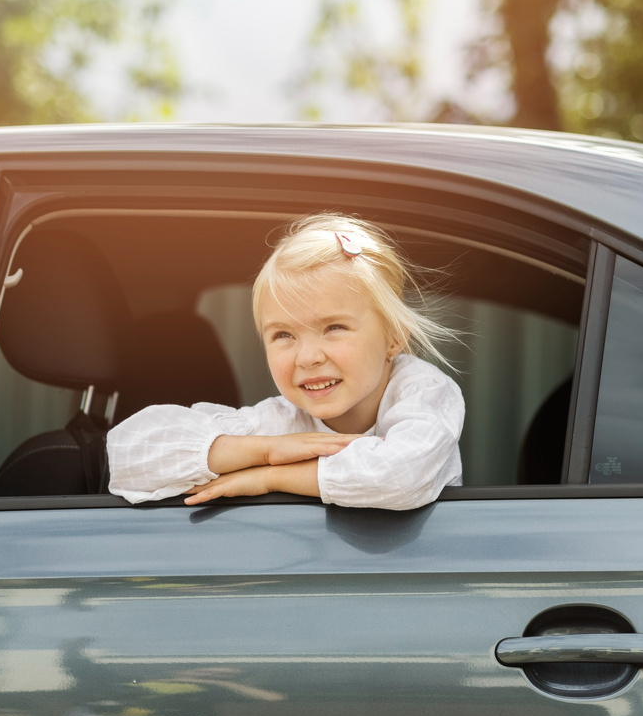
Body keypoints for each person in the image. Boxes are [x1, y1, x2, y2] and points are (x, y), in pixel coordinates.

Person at [106, 212, 464, 509]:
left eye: (334, 327)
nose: (307, 357)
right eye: (283, 335)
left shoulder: (424, 392)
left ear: (394, 336)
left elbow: (398, 476)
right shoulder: (281, 421)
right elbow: (129, 455)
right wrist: (267, 451)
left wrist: (271, 477)